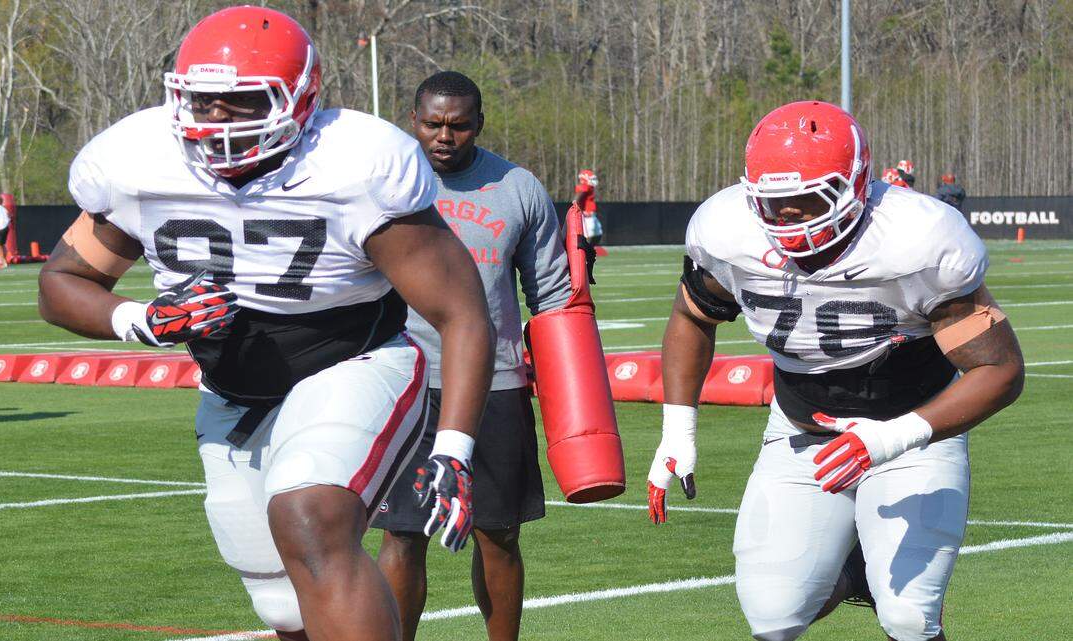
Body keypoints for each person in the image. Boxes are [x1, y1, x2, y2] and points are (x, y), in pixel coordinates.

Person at [37, 7, 495, 641]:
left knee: (311, 516)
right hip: (232, 383)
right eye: (202, 100)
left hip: (352, 358)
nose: (215, 119)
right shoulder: (138, 160)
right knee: (280, 602)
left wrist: (454, 448)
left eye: (242, 100)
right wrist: (142, 318)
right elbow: (62, 284)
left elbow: (462, 311)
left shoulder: (354, 162)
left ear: (300, 100)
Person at [647, 100, 1024, 641]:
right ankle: (855, 573)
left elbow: (1000, 370)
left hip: (913, 428)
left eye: (807, 200)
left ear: (856, 184)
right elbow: (692, 317)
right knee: (772, 615)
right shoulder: (726, 229)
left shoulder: (918, 238)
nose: (789, 219)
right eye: (774, 203)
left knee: (909, 616)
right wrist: (677, 431)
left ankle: (879, 581)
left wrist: (892, 439)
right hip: (802, 429)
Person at [373, 71, 571, 641]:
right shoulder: (381, 183)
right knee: (402, 533)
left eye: (458, 125)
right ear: (414, 120)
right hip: (402, 382)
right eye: (433, 123)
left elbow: (552, 295)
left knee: (499, 533)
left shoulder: (518, 187)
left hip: (496, 384)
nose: (444, 136)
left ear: (479, 124)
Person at [574, 169, 602, 244]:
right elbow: (579, 195)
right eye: (592, 178)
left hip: (592, 215)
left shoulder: (590, 187)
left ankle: (589, 251)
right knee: (588, 236)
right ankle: (584, 253)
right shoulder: (585, 186)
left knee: (598, 234)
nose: (594, 180)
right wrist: (575, 205)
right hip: (587, 216)